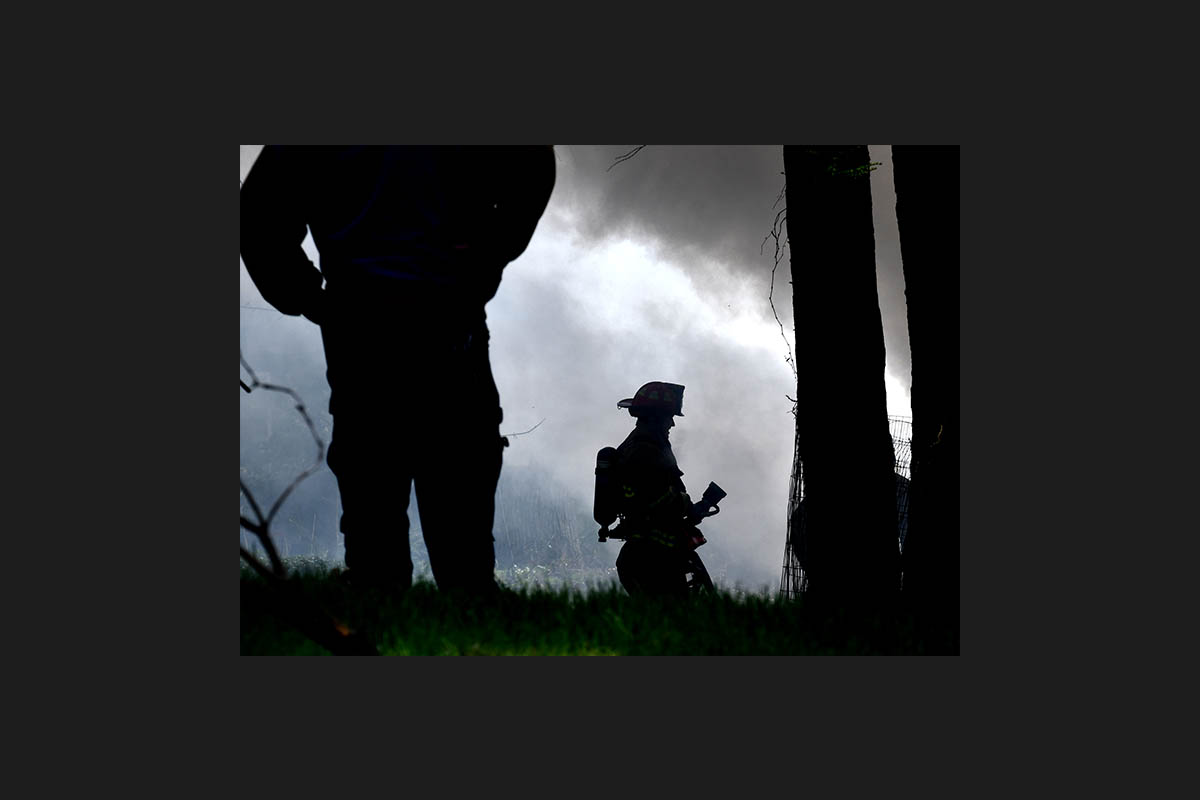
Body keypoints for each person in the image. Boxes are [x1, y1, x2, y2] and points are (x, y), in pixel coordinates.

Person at [240, 146, 556, 595]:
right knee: (457, 453)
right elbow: (533, 166)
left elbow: (259, 217)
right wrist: (484, 261)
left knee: (374, 457)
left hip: (364, 319)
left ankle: (380, 590)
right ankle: (463, 593)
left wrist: (313, 300)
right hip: (445, 312)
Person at [608, 381, 719, 596]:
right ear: (655, 417)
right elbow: (657, 499)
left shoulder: (646, 446)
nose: (672, 424)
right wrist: (687, 505)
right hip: (654, 558)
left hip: (650, 554)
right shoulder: (645, 451)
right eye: (669, 417)